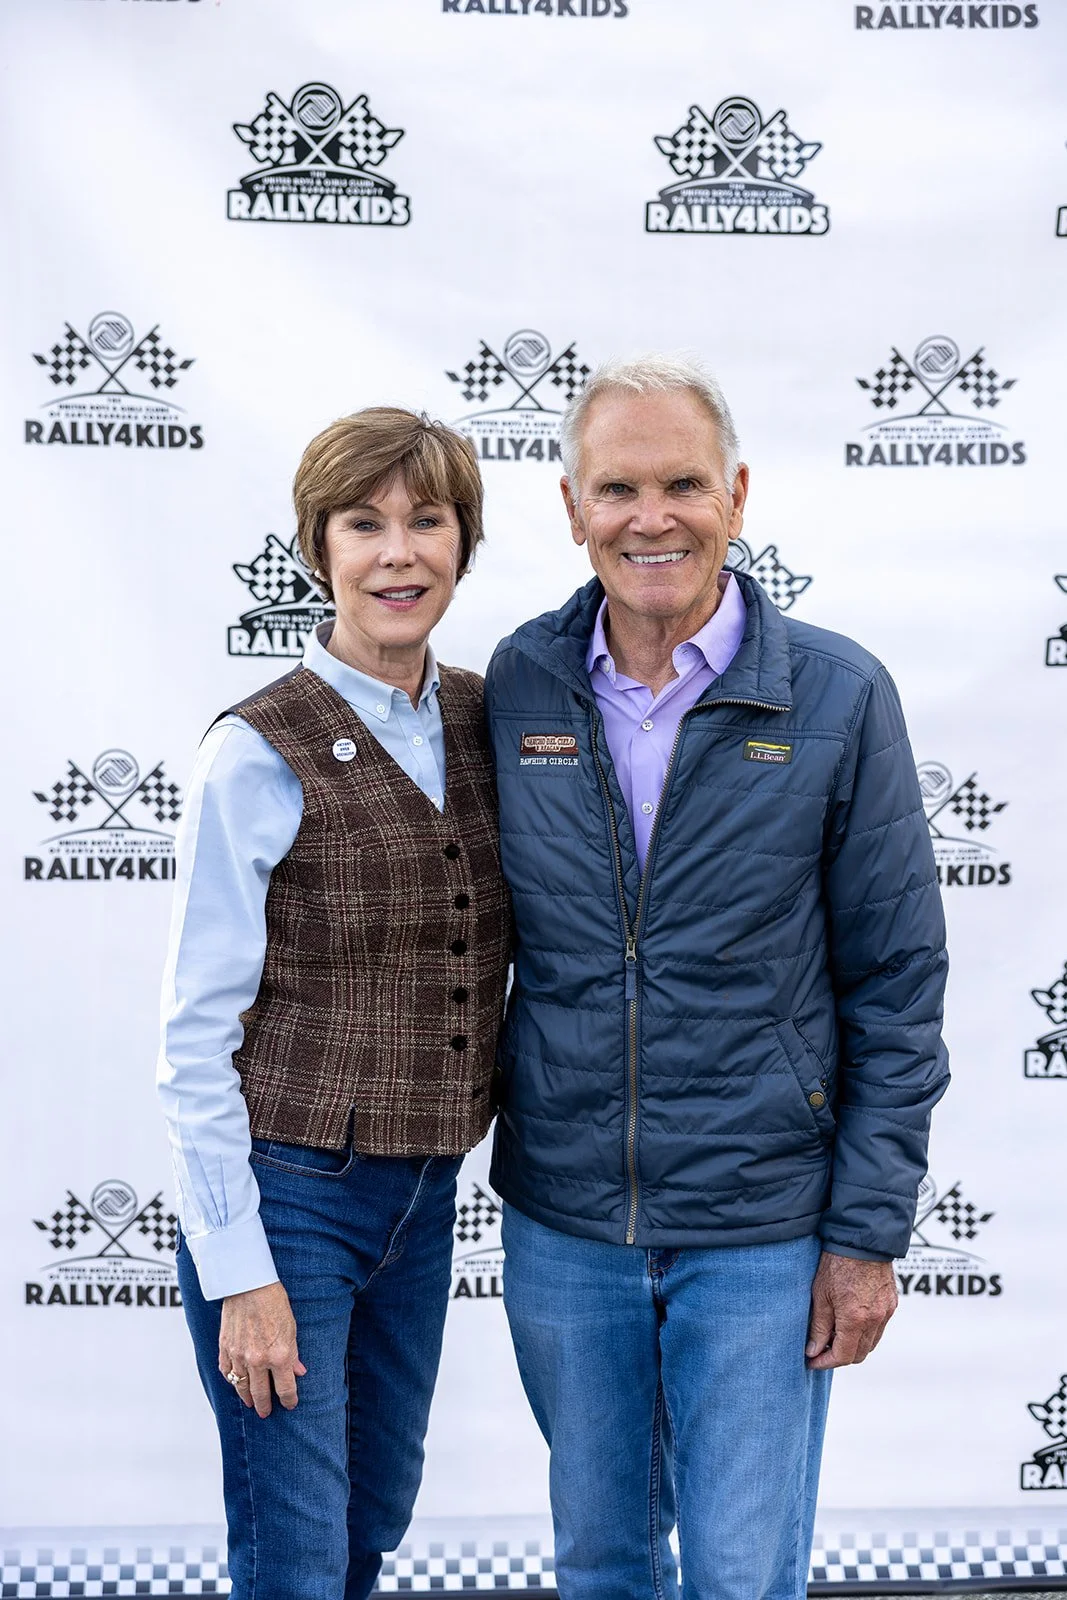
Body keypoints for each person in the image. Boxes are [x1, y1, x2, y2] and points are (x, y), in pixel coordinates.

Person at [484, 356, 949, 1600]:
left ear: (736, 495)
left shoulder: (836, 695)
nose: (652, 518)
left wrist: (862, 1233)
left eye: (682, 483)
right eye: (617, 487)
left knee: (742, 1576)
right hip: (566, 1223)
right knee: (599, 1566)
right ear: (571, 505)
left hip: (759, 1229)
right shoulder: (516, 683)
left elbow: (897, 984)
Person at [157, 408, 511, 1600]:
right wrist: (236, 1269)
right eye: (364, 523)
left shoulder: (484, 715)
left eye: (426, 520)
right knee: (296, 1549)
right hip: (287, 1194)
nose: (396, 552)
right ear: (318, 549)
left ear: (464, 544)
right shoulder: (255, 751)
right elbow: (193, 1035)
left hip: (421, 1194)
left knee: (370, 1519)